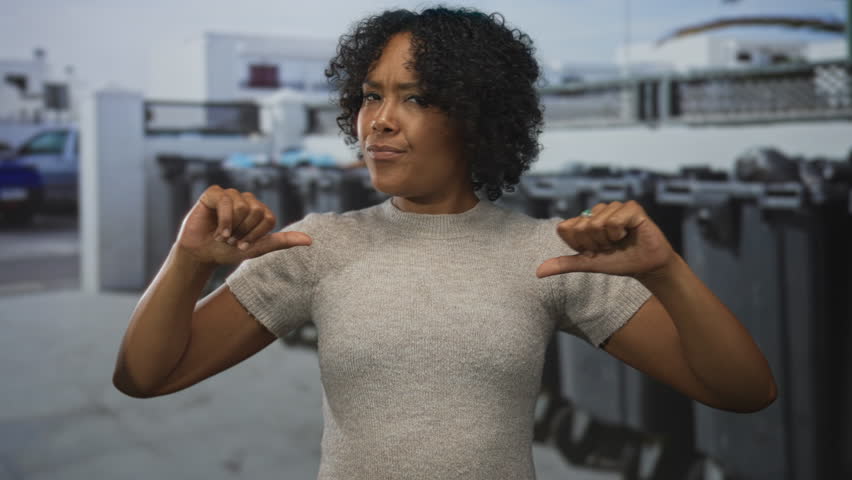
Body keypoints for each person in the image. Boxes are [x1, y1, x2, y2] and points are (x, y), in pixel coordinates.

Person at [113, 6, 776, 479]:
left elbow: (745, 390)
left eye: (416, 97)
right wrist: (186, 261)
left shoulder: (548, 256)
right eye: (371, 96)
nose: (381, 122)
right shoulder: (315, 246)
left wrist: (666, 272)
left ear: (476, 117)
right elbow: (144, 377)